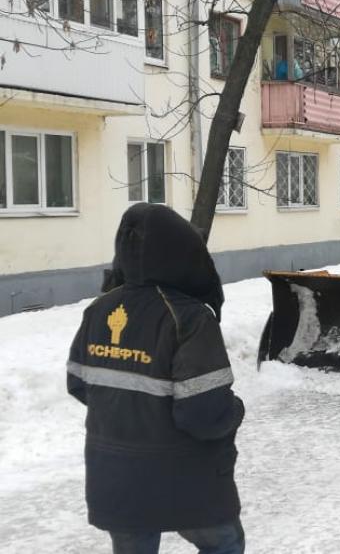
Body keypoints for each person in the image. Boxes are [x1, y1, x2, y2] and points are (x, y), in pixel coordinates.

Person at [67, 204, 245, 554]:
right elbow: (204, 414)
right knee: (223, 543)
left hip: (116, 478)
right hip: (186, 478)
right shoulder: (190, 318)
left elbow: (79, 383)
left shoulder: (100, 310)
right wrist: (235, 409)